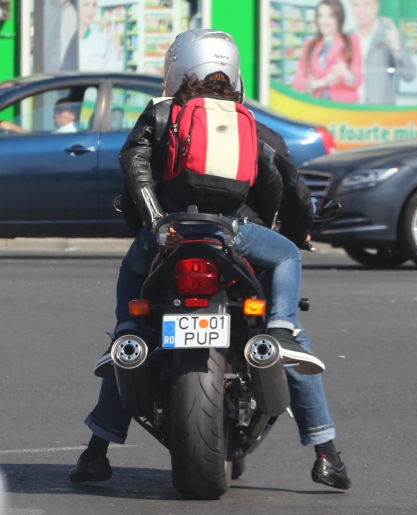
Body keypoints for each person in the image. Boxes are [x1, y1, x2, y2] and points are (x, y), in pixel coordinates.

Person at [69, 29, 351, 491]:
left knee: (134, 339)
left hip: (169, 238)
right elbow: (288, 189)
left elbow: (133, 166)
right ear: (233, 74)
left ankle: (96, 452)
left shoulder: (161, 114)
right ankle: (326, 455)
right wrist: (298, 229)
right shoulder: (250, 125)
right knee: (286, 342)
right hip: (233, 239)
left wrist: (154, 219)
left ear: (177, 70)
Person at [292, 0, 362, 103]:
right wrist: (321, 82)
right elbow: (297, 81)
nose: (324, 21)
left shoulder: (351, 41)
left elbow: (359, 79)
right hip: (317, 105)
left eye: (330, 16)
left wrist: (347, 74)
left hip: (343, 106)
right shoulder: (309, 45)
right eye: (321, 15)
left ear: (339, 19)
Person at [350, 0, 416, 105]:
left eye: (366, 4)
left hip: (381, 112)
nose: (360, 10)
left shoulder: (391, 34)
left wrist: (397, 49)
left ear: (376, 6)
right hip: (352, 111)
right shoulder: (347, 38)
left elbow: (410, 76)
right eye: (356, 5)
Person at [77, 0, 124, 72]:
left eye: (94, 5)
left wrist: (115, 44)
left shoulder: (101, 37)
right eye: (86, 5)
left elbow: (114, 71)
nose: (91, 10)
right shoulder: (65, 38)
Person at [0, 98, 82, 134]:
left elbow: (34, 141)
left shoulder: (68, 132)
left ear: (73, 115)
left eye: (60, 111)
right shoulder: (73, 132)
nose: (55, 115)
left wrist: (10, 126)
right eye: (55, 110)